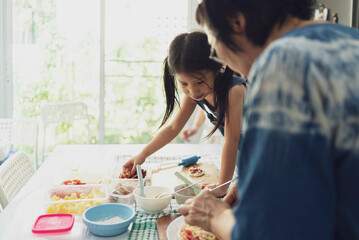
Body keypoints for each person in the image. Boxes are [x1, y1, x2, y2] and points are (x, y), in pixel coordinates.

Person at [179, 0, 359, 239]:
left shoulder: (283, 63)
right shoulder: (350, 40)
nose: (221, 61)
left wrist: (215, 216)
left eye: (214, 47)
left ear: (237, 22)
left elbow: (267, 232)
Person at [123, 31, 247, 197]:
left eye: (199, 82)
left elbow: (231, 140)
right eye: (184, 83)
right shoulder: (194, 93)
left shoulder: (234, 91)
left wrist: (222, 187)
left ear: (216, 69)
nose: (193, 91)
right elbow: (173, 127)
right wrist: (142, 155)